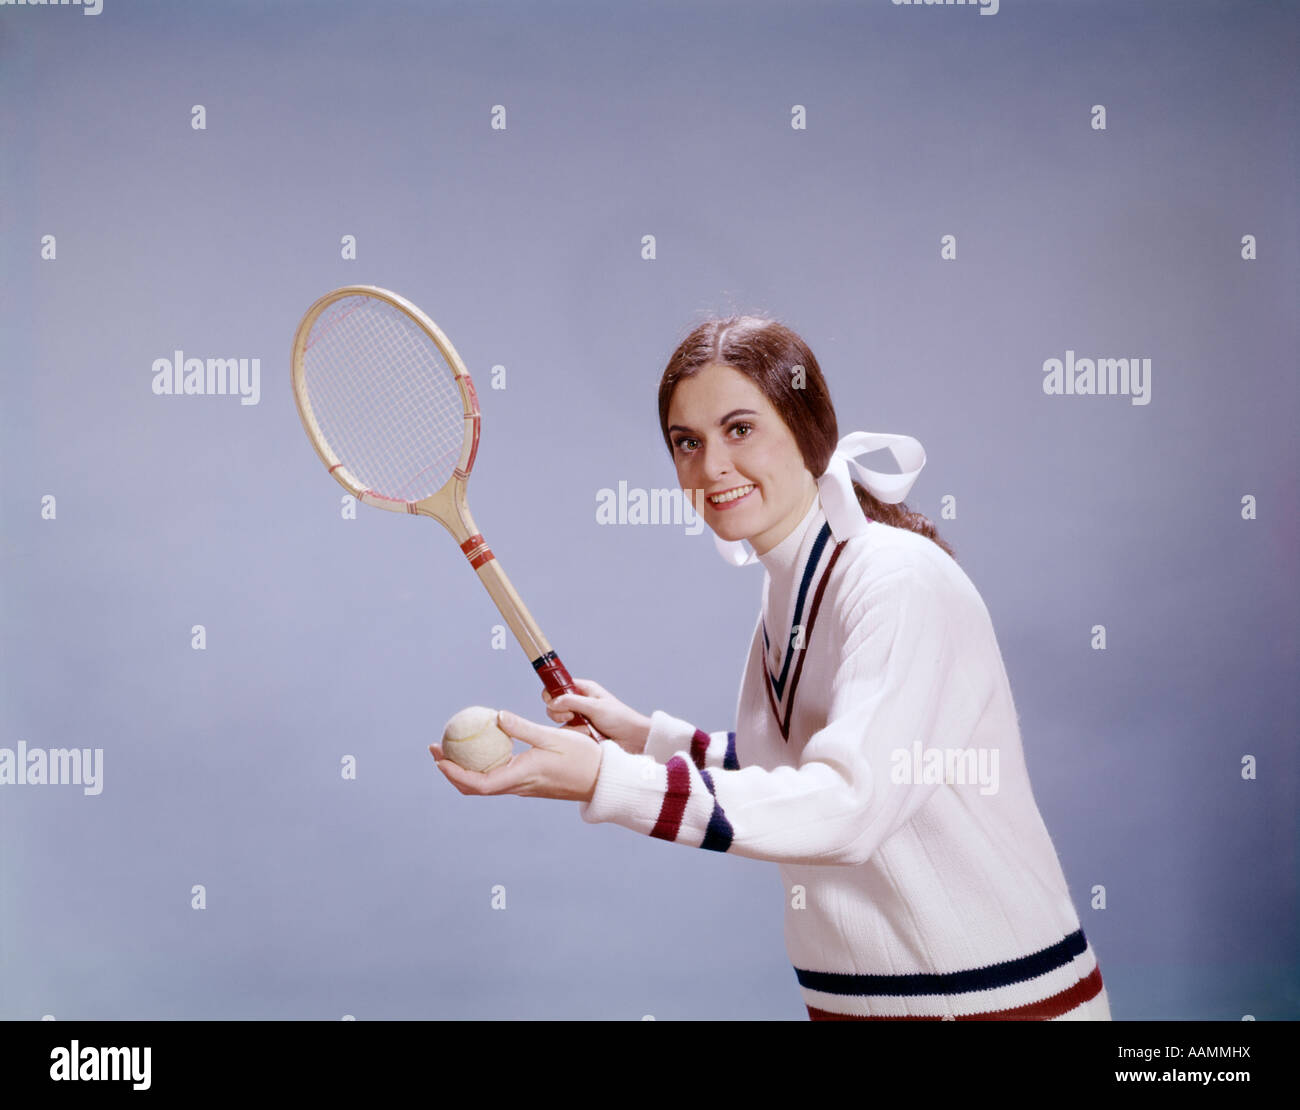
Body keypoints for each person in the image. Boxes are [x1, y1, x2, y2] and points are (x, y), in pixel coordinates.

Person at [429, 315, 1110, 1021]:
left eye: (739, 429)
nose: (711, 465)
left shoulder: (897, 581)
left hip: (1000, 1006)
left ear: (806, 427)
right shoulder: (789, 590)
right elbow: (787, 767)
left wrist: (606, 778)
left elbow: (848, 804)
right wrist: (641, 738)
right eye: (685, 442)